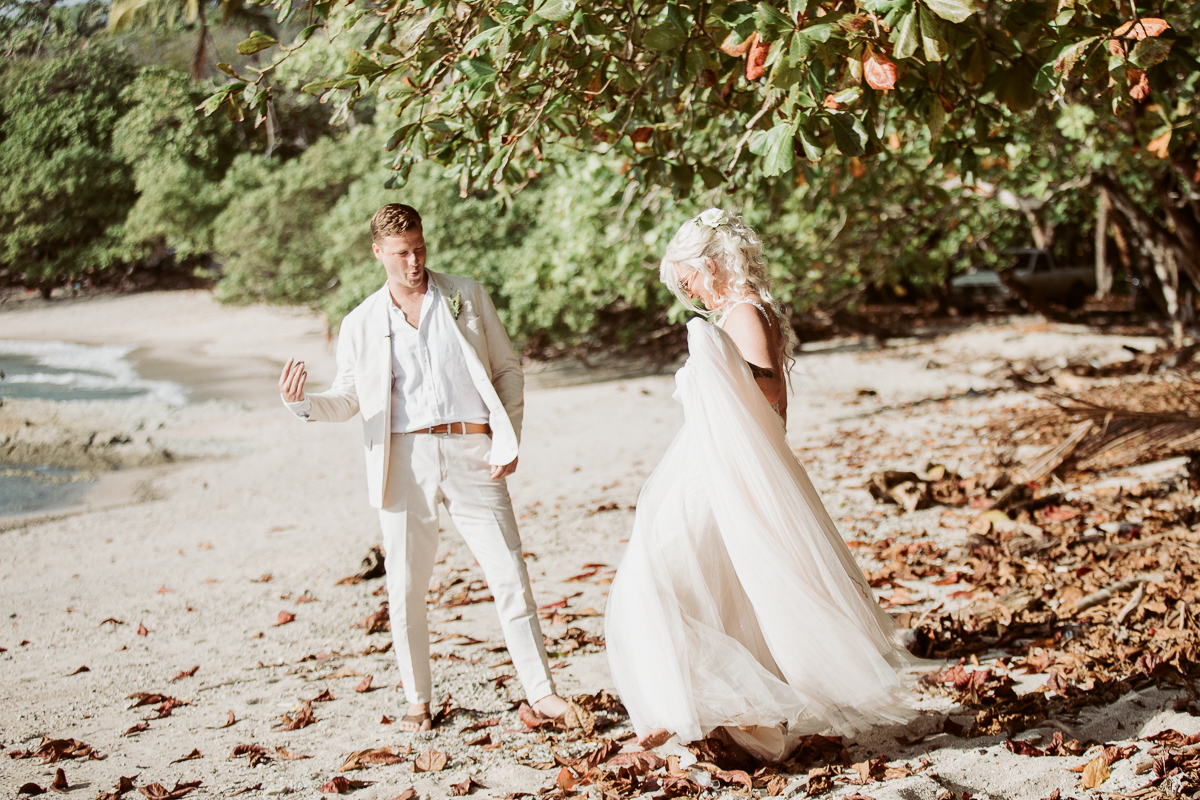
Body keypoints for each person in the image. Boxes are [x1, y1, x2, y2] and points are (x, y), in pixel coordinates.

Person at [604, 208, 920, 762]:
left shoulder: (745, 313)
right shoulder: (741, 312)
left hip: (724, 466)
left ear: (709, 264)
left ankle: (692, 710)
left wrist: (715, 362)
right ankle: (705, 713)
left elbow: (770, 393)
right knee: (711, 581)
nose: (689, 292)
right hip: (715, 459)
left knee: (663, 574)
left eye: (688, 279)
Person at [278, 203, 570, 731]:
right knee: (407, 586)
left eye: (419, 249)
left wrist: (507, 437)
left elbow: (506, 368)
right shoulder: (361, 321)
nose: (413, 263)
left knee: (509, 573)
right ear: (378, 253)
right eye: (400, 254)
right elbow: (349, 399)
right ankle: (418, 699)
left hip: (473, 452)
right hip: (403, 460)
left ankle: (543, 693)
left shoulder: (467, 294)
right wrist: (302, 403)